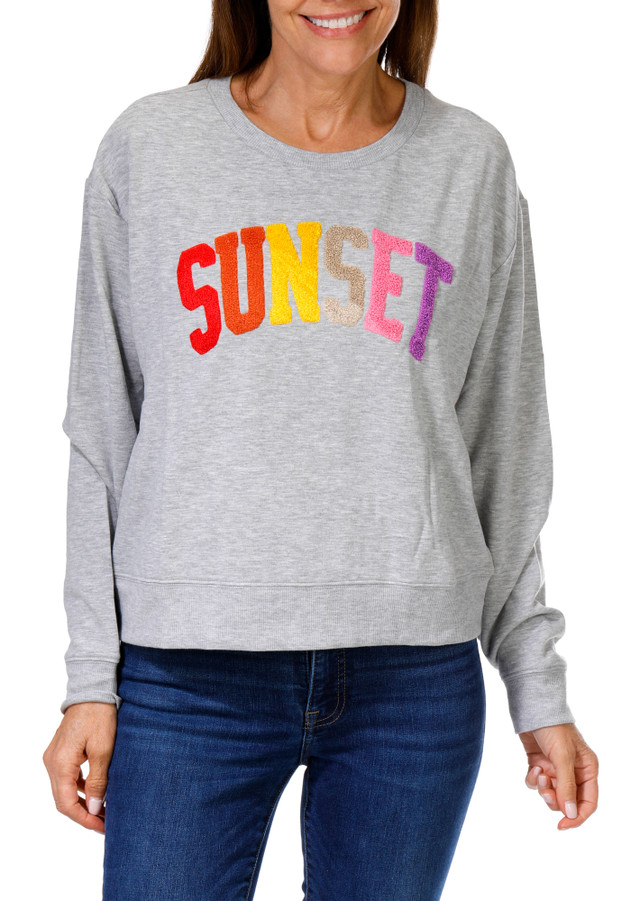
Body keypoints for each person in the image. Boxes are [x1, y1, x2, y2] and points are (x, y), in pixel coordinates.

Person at [43, 1, 599, 898]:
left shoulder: (469, 163)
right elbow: (101, 430)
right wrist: (88, 680)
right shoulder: (150, 149)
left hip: (411, 683)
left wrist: (537, 683)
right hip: (188, 678)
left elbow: (505, 447)